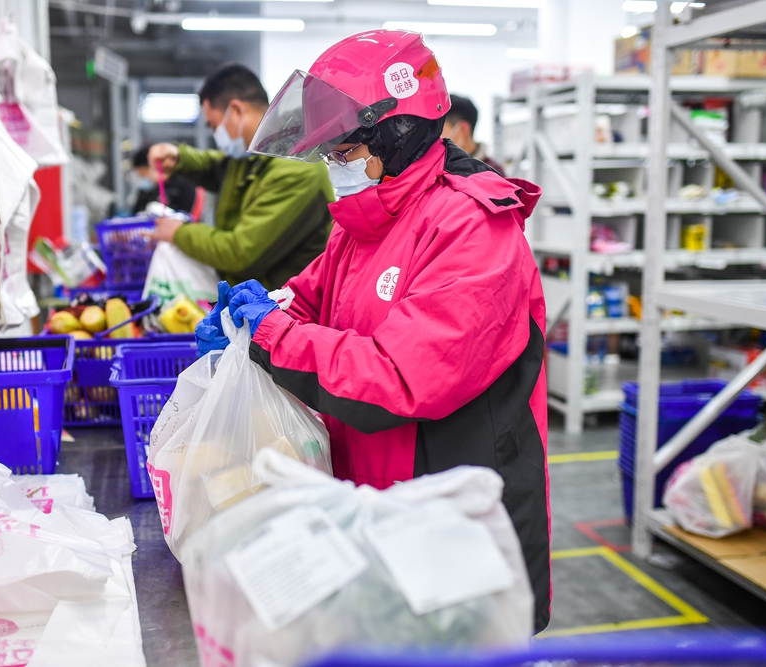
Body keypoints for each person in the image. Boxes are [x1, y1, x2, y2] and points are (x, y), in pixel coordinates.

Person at [196, 31, 550, 632]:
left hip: (449, 518)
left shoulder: (472, 228)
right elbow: (310, 296)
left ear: (397, 132)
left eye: (344, 149)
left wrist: (272, 336)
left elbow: (400, 375)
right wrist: (260, 310)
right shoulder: (367, 218)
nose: (334, 163)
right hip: (375, 499)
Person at [147, 64, 334, 289]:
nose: (216, 135)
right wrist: (179, 158)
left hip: (282, 309)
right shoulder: (251, 158)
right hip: (251, 300)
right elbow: (214, 166)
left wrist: (179, 232)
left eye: (214, 125)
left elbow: (240, 253)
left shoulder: (297, 171)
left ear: (236, 111)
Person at [442, 93, 506, 176]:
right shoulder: (440, 168)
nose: (434, 135)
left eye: (440, 129)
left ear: (463, 130)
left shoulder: (491, 175)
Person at [129, 146, 198, 215]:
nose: (143, 178)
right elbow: (135, 214)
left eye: (143, 174)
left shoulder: (182, 186)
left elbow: (186, 215)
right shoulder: (148, 191)